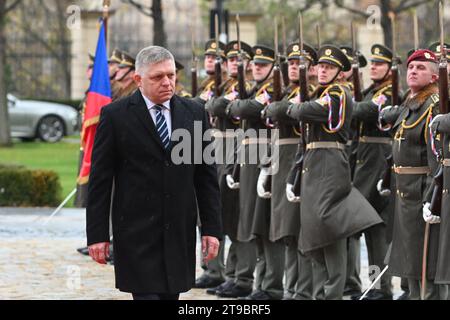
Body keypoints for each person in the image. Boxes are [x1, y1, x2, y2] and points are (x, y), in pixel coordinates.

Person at [86, 45, 222, 300]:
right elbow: (100, 181)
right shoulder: (116, 116)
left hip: (178, 230)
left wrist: (211, 229)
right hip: (136, 232)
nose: (167, 83)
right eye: (158, 77)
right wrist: (98, 235)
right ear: (138, 79)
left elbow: (205, 177)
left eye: (171, 75)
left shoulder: (194, 113)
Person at [286, 45, 382, 300]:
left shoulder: (339, 92)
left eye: (330, 67)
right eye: (321, 66)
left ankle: (333, 294)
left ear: (341, 73)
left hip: (330, 165)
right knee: (314, 234)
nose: (323, 70)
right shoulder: (322, 93)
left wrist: (297, 108)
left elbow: (305, 111)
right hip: (314, 165)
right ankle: (320, 293)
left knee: (332, 231)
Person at [381, 49, 446, 300]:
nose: (413, 71)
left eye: (420, 68)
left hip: (422, 191)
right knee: (411, 262)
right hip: (405, 192)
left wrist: (434, 195)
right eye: (411, 67)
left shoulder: (433, 106)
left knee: (426, 265)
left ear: (433, 77)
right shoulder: (411, 103)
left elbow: (436, 157)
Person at [263, 42, 318, 300]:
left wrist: (279, 107)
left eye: (300, 63)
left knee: (299, 231)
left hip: (299, 159)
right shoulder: (288, 92)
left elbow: (275, 110)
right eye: (292, 63)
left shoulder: (314, 93)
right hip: (281, 158)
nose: (295, 68)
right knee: (286, 231)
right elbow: (272, 113)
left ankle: (302, 291)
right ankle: (291, 288)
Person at [203, 40, 254, 295]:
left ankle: (239, 275)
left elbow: (217, 106)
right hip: (219, 152)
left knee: (238, 218)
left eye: (238, 59)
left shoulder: (249, 88)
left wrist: (214, 103)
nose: (233, 63)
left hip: (239, 153)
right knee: (221, 214)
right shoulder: (220, 86)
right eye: (231, 59)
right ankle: (224, 273)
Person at [351, 44, 398, 300]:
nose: (375, 68)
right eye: (374, 64)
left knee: (378, 230)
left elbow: (366, 110)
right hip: (364, 163)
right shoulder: (371, 90)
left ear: (391, 68)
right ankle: (372, 284)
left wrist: (347, 105)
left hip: (379, 162)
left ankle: (382, 287)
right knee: (367, 229)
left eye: (380, 64)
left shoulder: (389, 92)